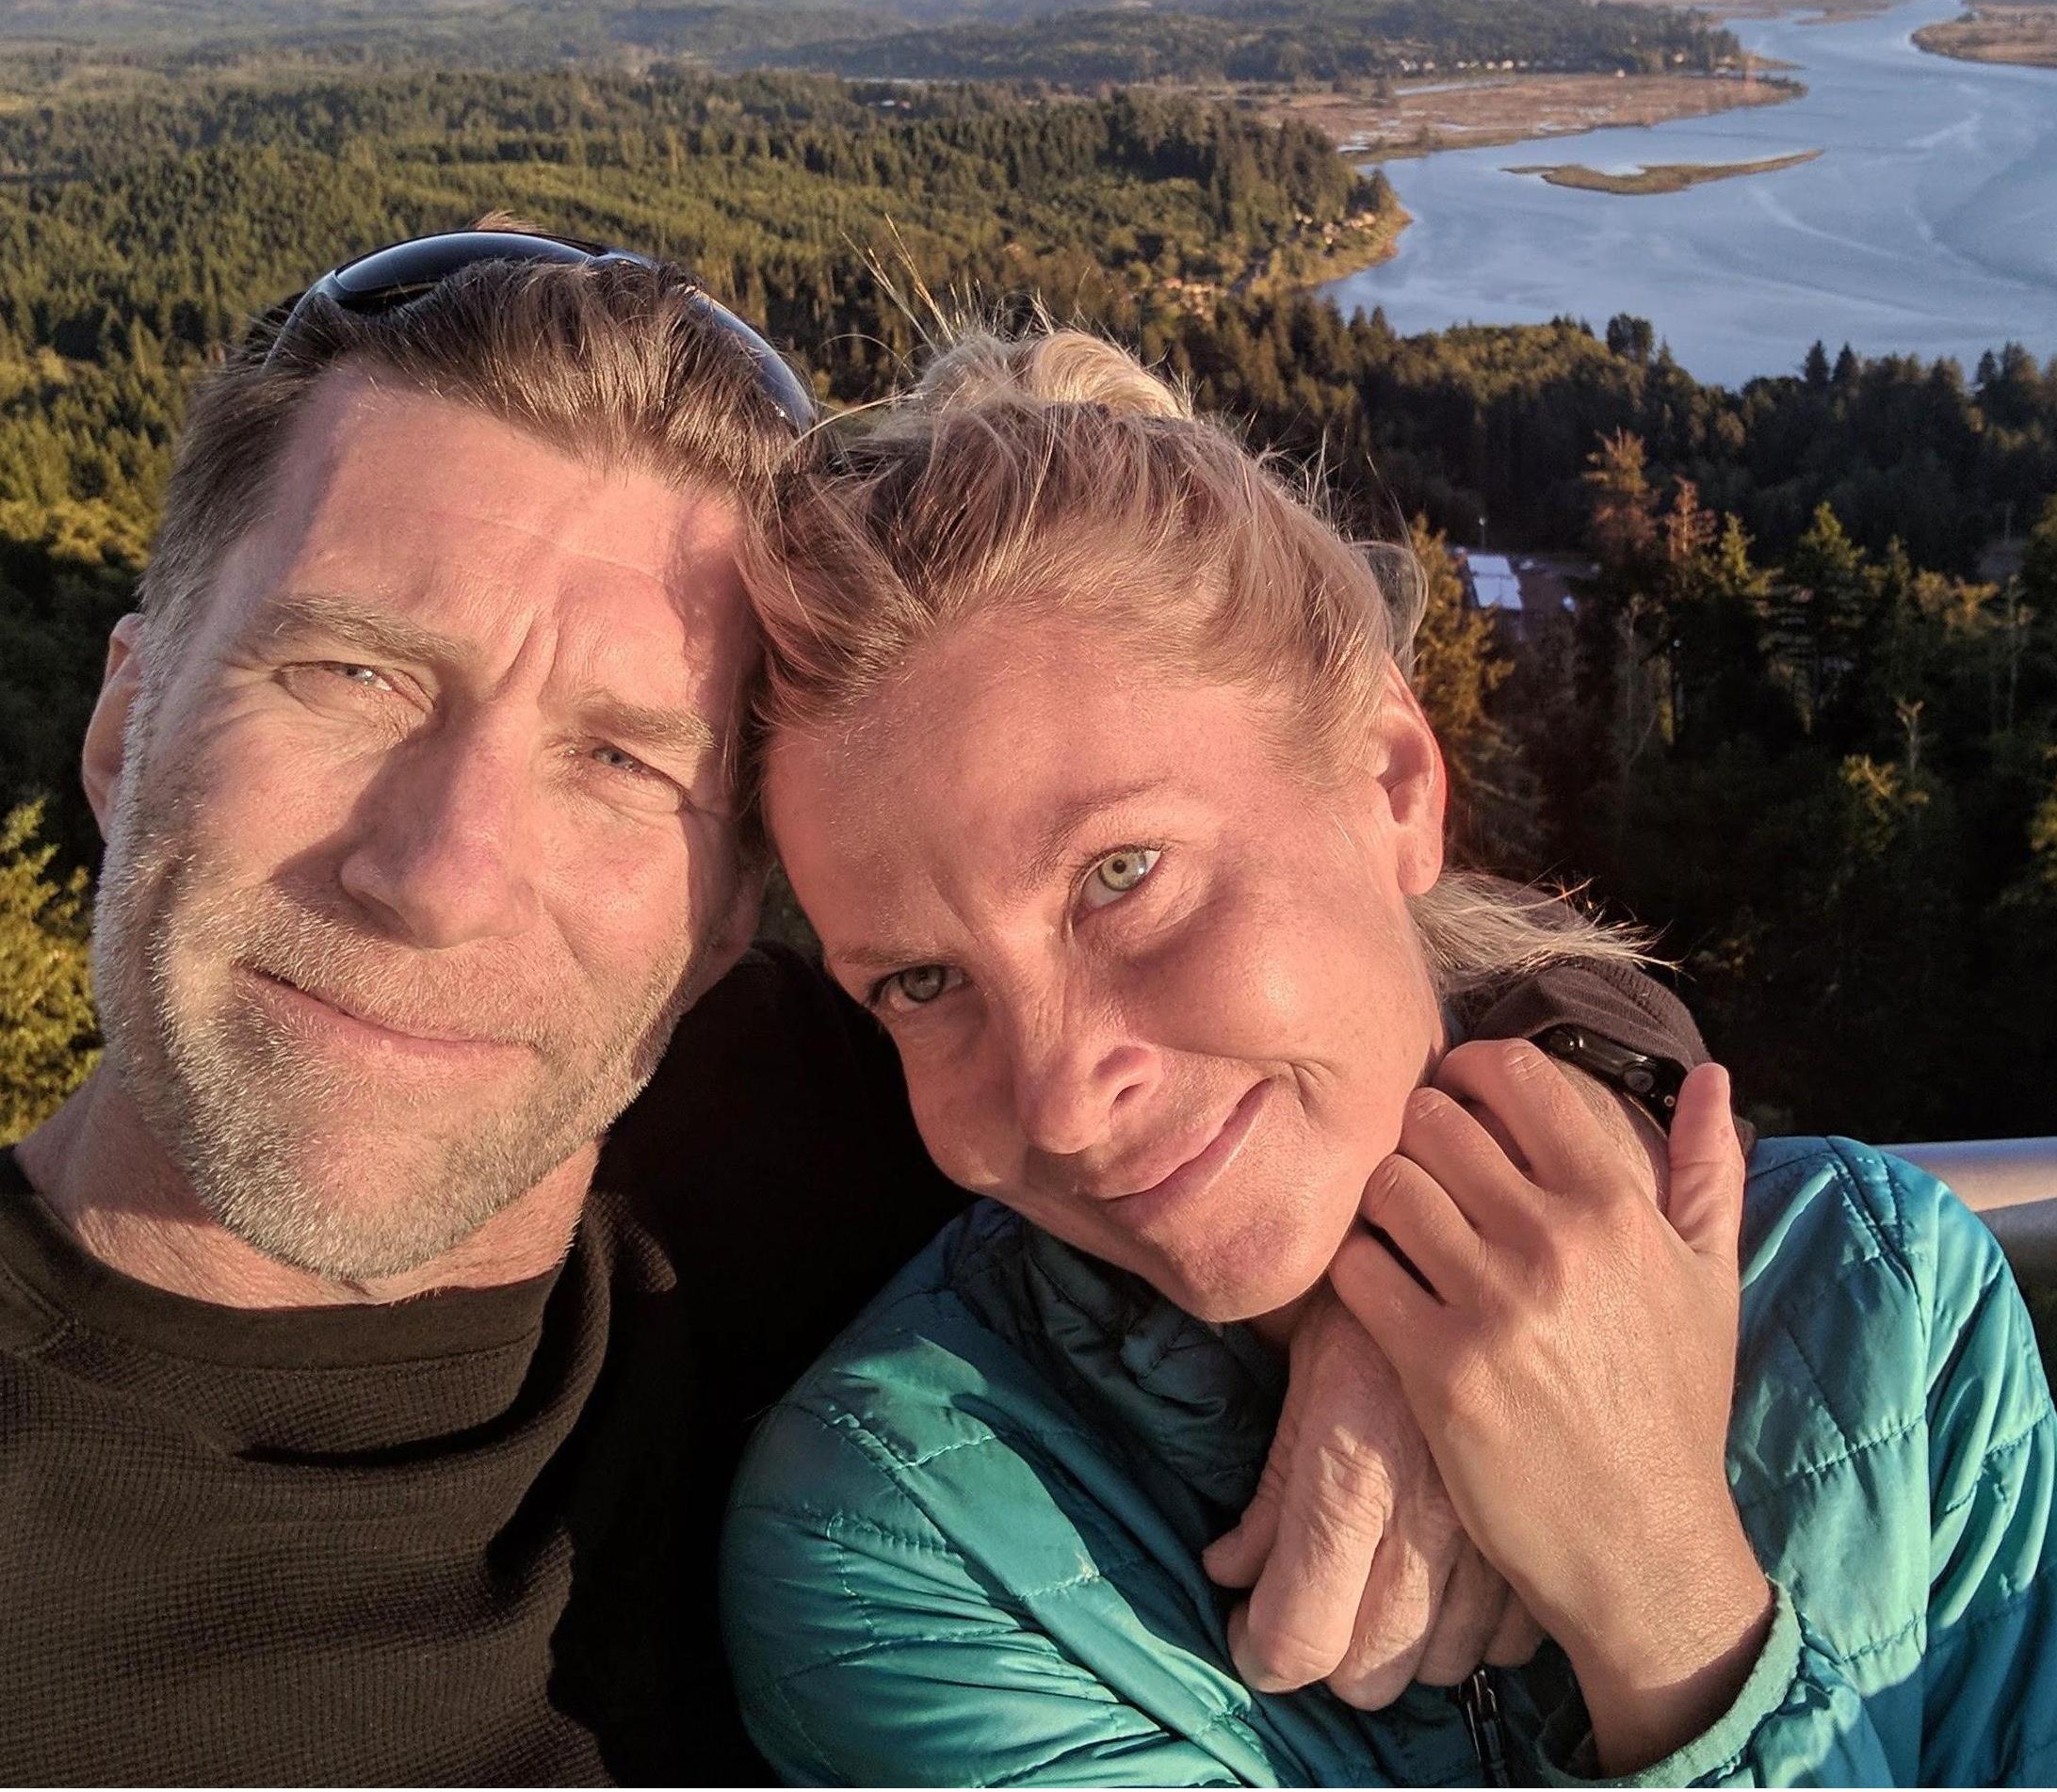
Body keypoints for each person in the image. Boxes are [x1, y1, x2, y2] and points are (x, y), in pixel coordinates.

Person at [0, 234, 1696, 1784]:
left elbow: (1363, 981)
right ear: (122, 719)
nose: (440, 873)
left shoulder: (846, 1117)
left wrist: (1432, 1280)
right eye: (347, 674)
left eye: (618, 761)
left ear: (737, 905)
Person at [721, 324, 2057, 1785]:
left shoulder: (1890, 1300)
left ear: (1394, 784)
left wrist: (1656, 1587)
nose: (1058, 1089)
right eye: (920, 980)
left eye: (1123, 876)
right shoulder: (908, 1540)